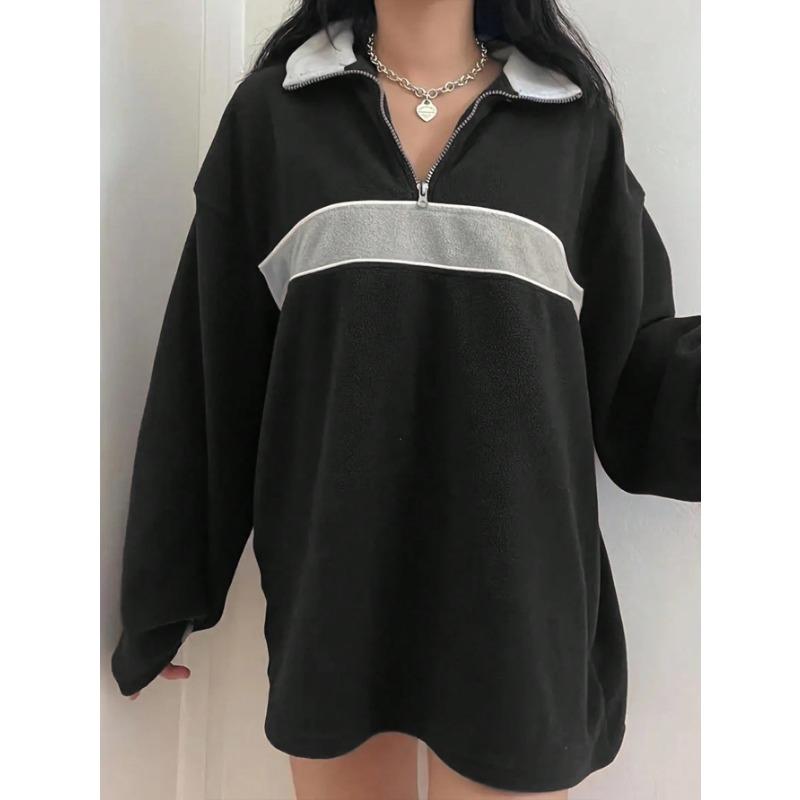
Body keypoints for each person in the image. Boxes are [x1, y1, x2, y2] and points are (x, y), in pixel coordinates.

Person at [111, 1, 701, 797]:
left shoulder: (573, 127)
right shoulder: (274, 118)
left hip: (519, 615)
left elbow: (635, 371)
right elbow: (210, 372)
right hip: (336, 603)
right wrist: (164, 596)